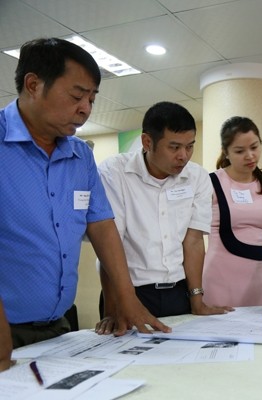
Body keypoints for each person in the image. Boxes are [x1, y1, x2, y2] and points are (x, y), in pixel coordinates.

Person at [0, 37, 168, 349]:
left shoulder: (80, 155)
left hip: (57, 326)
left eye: (92, 99)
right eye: (77, 96)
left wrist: (126, 298)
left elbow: (102, 227)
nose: (85, 109)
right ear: (34, 85)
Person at [96, 102, 234, 330]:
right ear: (147, 142)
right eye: (174, 147)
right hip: (130, 294)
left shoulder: (198, 177)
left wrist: (196, 299)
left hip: (178, 292)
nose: (184, 156)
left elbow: (194, 241)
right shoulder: (114, 172)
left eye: (190, 146)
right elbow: (110, 243)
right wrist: (113, 308)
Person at [202, 116, 262, 307]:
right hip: (219, 276)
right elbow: (193, 236)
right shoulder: (211, 182)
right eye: (239, 151)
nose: (250, 156)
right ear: (226, 152)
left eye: (254, 147)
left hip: (256, 276)